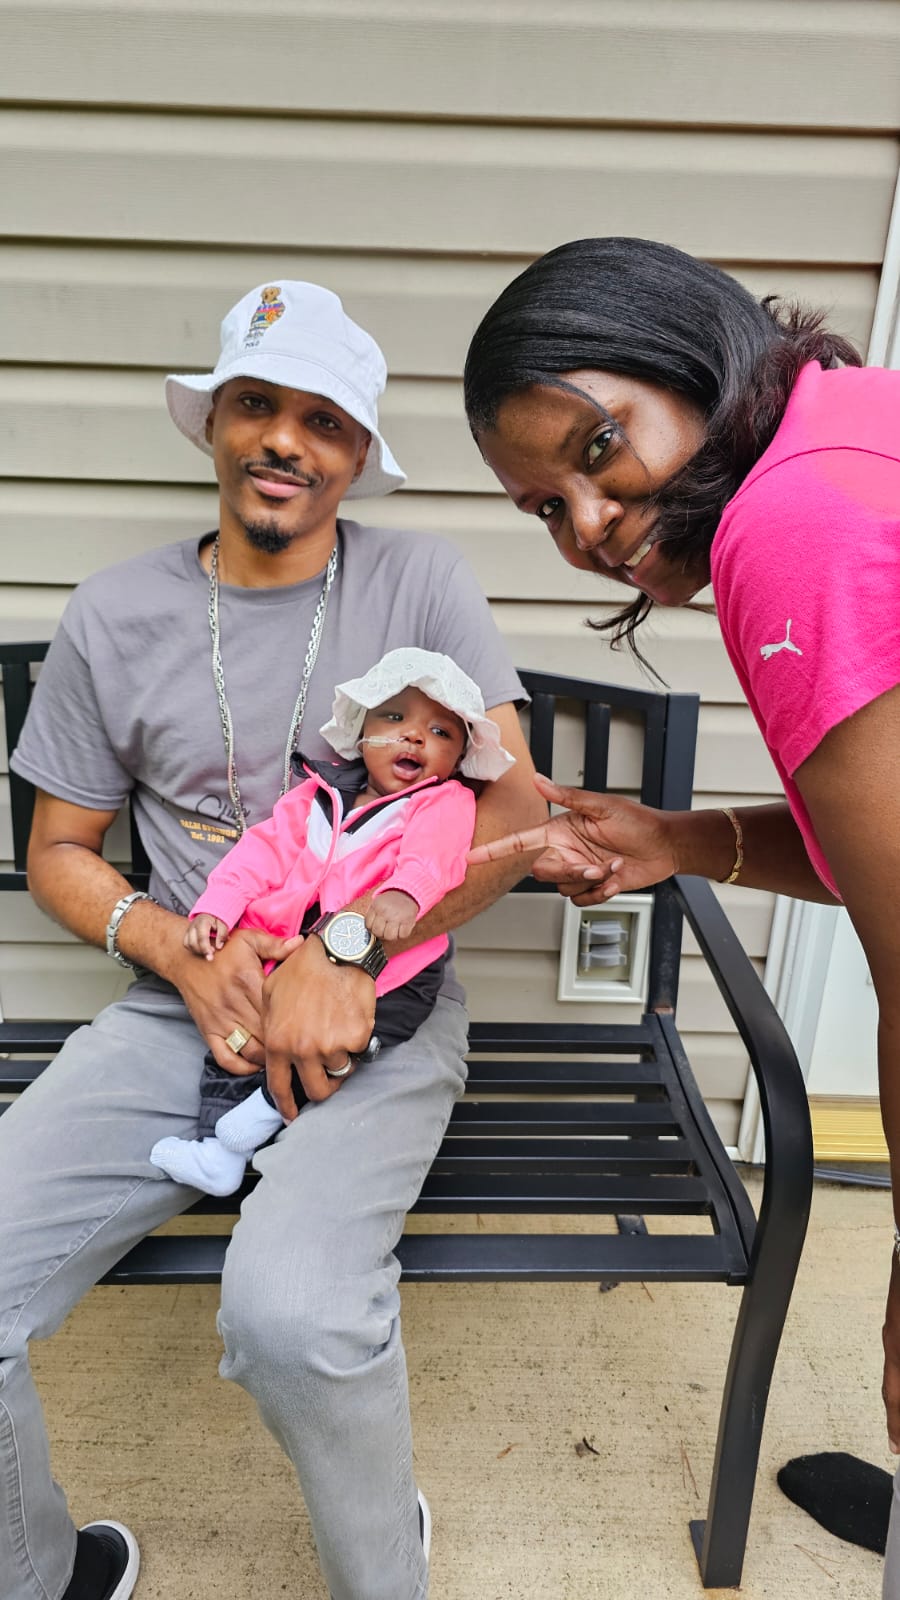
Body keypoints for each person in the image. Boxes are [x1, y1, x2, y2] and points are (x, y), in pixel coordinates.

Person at [1, 279, 545, 1600]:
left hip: (384, 1011)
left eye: (322, 418)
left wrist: (342, 948)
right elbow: (59, 855)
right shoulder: (117, 614)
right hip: (181, 1005)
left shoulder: (417, 580)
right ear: (215, 426)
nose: (284, 439)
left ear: (359, 454)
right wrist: (173, 945)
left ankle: (382, 1573)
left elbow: (518, 817)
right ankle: (41, 1574)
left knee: (294, 1319)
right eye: (257, 403)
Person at [461, 235, 900, 1592]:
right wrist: (688, 841)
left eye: (596, 450)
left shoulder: (794, 527)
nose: (587, 528)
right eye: (544, 506)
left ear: (688, 355)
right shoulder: (851, 419)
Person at [149, 647, 514, 1195]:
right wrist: (218, 906)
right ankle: (216, 1149)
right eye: (394, 718)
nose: (414, 737)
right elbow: (259, 853)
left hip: (390, 975)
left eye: (440, 731)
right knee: (242, 1032)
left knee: (337, 1036)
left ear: (459, 756)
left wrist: (404, 894)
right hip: (283, 952)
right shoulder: (313, 797)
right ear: (360, 732)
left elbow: (434, 857)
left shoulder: (443, 802)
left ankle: (264, 1115)